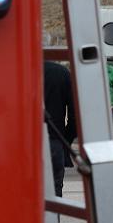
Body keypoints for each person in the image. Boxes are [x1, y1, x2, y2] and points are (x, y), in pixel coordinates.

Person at [43, 61, 77, 197]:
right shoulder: (61, 73)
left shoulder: (19, 70)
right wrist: (65, 140)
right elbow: (75, 116)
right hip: (54, 141)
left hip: (23, 145)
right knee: (54, 193)